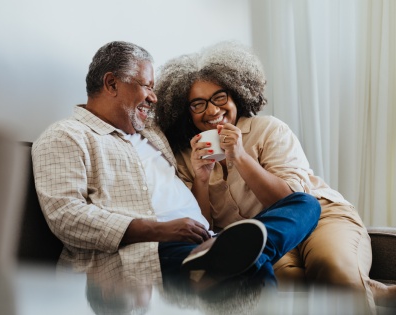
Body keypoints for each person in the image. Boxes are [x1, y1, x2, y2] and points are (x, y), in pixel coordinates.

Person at [31, 41, 320, 292]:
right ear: (111, 84)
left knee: (306, 204)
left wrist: (202, 177)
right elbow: (65, 216)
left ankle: (232, 254)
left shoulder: (153, 135)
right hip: (146, 252)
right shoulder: (66, 136)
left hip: (206, 240)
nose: (154, 97)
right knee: (247, 271)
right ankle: (233, 257)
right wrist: (158, 230)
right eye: (147, 86)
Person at [153, 40, 396, 309]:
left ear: (236, 95)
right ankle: (373, 291)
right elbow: (204, 228)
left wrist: (241, 157)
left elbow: (293, 202)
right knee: (284, 285)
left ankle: (359, 287)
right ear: (186, 112)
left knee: (334, 273)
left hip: (320, 217)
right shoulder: (187, 157)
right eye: (197, 104)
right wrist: (200, 178)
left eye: (220, 97)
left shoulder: (268, 129)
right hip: (265, 238)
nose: (211, 110)